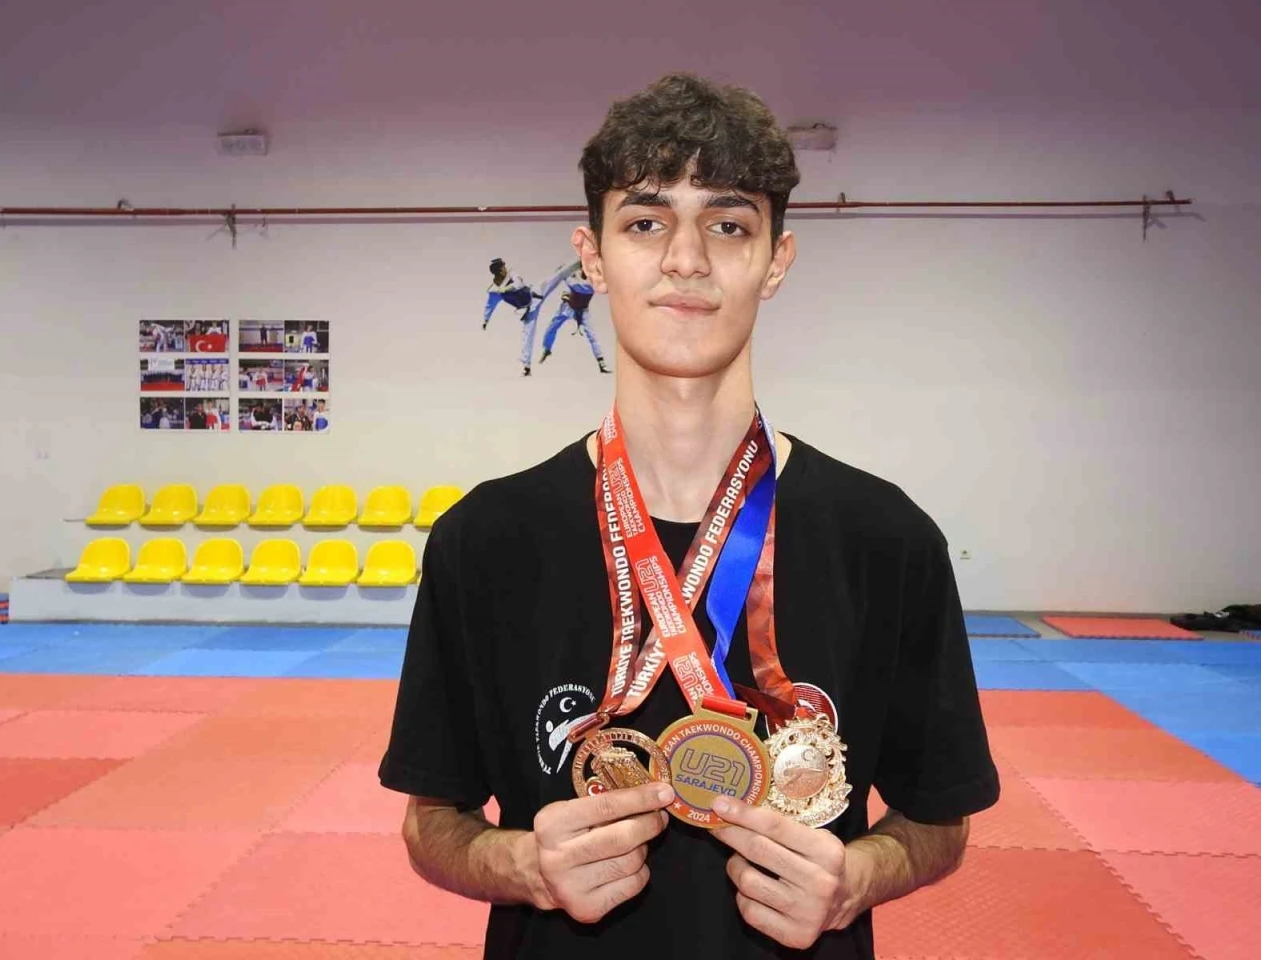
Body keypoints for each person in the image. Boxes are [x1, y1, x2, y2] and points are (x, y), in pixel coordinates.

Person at [381, 74, 998, 960]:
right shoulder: (484, 540)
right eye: (644, 222)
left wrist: (857, 879)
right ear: (592, 257)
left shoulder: (886, 539)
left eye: (728, 224)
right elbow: (431, 820)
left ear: (776, 261)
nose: (686, 258)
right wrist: (522, 866)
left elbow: (939, 818)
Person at [537, 260, 611, 373]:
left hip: (583, 312)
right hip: (567, 307)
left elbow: (572, 282)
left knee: (592, 336)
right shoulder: (576, 277)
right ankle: (547, 349)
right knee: (552, 328)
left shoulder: (591, 283)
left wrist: (563, 272)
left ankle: (601, 362)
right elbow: (566, 278)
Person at [483, 258, 545, 377]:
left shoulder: (512, 273)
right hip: (528, 310)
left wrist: (507, 288)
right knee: (527, 336)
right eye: (502, 267)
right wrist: (486, 319)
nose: (505, 268)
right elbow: (490, 305)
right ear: (499, 271)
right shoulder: (495, 290)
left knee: (553, 278)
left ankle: (577, 263)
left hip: (535, 294)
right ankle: (527, 367)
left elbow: (519, 284)